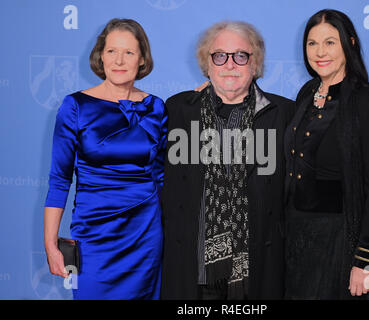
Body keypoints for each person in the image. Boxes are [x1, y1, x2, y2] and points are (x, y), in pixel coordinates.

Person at [160, 21, 294, 300]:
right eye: (219, 55)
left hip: (257, 270)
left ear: (255, 64)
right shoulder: (177, 111)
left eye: (240, 56)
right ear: (206, 64)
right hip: (193, 272)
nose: (229, 64)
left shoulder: (283, 114)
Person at [44, 18, 167, 300]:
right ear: (100, 55)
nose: (119, 60)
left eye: (129, 52)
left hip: (145, 236)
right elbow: (60, 180)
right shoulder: (75, 106)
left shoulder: (157, 107)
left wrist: (197, 100)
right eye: (111, 51)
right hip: (93, 238)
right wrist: (51, 244)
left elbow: (162, 177)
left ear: (142, 59)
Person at [284, 9, 369, 299]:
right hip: (296, 240)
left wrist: (366, 263)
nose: (320, 52)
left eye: (330, 42)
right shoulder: (306, 93)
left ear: (351, 43)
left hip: (343, 244)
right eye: (312, 43)